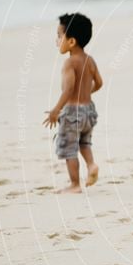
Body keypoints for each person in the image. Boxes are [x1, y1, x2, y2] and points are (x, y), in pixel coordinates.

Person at [43, 13, 103, 193]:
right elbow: (99, 83)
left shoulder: (69, 63)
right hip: (89, 111)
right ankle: (91, 165)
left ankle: (75, 184)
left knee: (70, 149)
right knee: (84, 143)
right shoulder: (90, 60)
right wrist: (86, 92)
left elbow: (68, 90)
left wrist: (56, 109)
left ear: (71, 42)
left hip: (72, 113)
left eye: (60, 36)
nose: (57, 40)